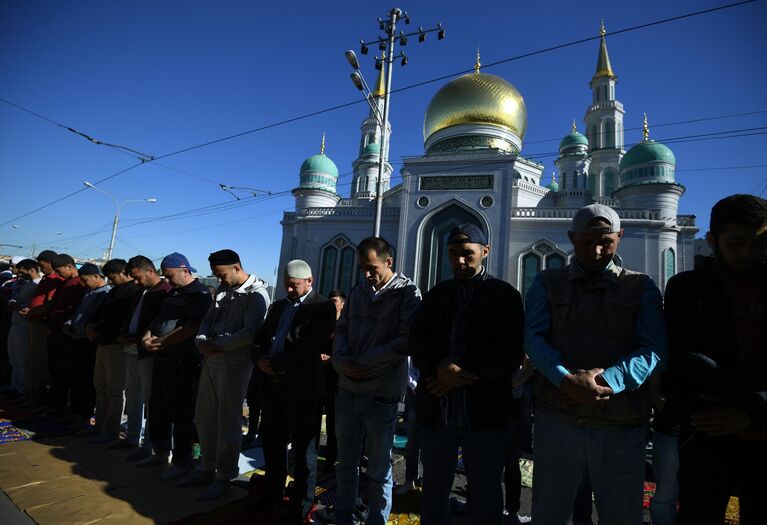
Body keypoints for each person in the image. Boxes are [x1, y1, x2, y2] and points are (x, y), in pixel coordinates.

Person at [525, 203, 667, 525]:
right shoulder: (547, 283)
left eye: (606, 242)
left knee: (620, 515)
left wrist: (609, 381)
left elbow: (653, 349)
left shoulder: (640, 286)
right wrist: (565, 380)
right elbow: (534, 339)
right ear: (571, 238)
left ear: (620, 237)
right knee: (549, 512)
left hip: (619, 424)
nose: (597, 250)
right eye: (586, 242)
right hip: (559, 419)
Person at [410, 224, 524, 525]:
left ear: (485, 251)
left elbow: (511, 352)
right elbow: (416, 340)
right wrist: (439, 367)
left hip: (483, 414)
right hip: (438, 411)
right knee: (434, 490)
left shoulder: (504, 296)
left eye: (467, 254)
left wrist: (462, 372)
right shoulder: (437, 295)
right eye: (452, 254)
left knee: (485, 493)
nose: (459, 261)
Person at [665, 194, 767, 524]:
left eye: (758, 243)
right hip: (708, 432)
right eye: (737, 243)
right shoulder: (688, 288)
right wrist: (749, 409)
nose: (747, 254)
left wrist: (751, 413)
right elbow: (687, 358)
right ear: (712, 240)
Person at [323, 237, 421, 525]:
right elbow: (342, 329)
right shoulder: (358, 291)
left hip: (380, 393)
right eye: (362, 268)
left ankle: (376, 520)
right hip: (350, 389)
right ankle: (344, 516)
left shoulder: (407, 294)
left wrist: (362, 363)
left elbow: (405, 341)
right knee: (347, 465)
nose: (366, 274)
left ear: (388, 262)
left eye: (371, 267)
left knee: (378, 469)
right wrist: (341, 362)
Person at [178, 249, 269, 501]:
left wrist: (219, 345)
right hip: (211, 360)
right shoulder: (223, 291)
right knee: (205, 417)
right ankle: (206, 467)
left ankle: (225, 474)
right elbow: (207, 321)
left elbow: (252, 332)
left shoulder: (256, 295)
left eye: (222, 275)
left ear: (237, 269)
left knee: (228, 422)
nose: (219, 280)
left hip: (234, 366)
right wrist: (203, 341)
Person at [250, 259, 336, 523]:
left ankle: (301, 506)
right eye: (287, 285)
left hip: (301, 390)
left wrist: (276, 364)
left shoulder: (322, 307)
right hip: (273, 388)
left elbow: (310, 347)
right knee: (273, 446)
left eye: (294, 285)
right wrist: (259, 360)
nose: (289, 290)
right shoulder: (278, 307)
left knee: (303, 453)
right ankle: (272, 495)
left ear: (309, 282)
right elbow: (260, 339)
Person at [139, 252, 212, 480]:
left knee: (182, 415)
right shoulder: (173, 293)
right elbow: (159, 319)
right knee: (158, 409)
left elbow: (192, 327)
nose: (167, 281)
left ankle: (182, 460)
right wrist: (148, 336)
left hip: (183, 363)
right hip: (162, 360)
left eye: (170, 276)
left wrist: (163, 341)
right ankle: (161, 452)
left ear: (185, 271)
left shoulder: (199, 295)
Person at [115, 255, 172, 460]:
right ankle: (132, 438)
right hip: (131, 349)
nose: (136, 282)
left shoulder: (165, 292)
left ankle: (149, 446)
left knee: (150, 401)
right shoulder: (142, 292)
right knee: (133, 396)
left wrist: (140, 338)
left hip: (148, 352)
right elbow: (134, 318)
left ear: (150, 271)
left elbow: (159, 325)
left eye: (138, 278)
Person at [85, 259, 142, 443]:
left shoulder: (132, 292)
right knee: (100, 386)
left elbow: (120, 320)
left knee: (115, 390)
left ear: (124, 273)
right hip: (103, 342)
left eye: (113, 277)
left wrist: (99, 329)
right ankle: (100, 425)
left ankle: (111, 430)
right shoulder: (114, 291)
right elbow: (102, 314)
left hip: (116, 346)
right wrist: (91, 327)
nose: (110, 281)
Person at [64, 263, 111, 431]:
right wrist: (69, 324)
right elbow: (79, 314)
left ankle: (85, 415)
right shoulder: (89, 292)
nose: (83, 284)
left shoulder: (105, 294)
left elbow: (96, 319)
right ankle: (76, 411)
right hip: (77, 338)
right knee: (75, 378)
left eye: (85, 280)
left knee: (86, 381)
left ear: (96, 277)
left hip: (88, 342)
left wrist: (84, 329)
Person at [20, 250, 63, 407]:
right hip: (33, 322)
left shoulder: (56, 280)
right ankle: (30, 393)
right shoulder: (46, 278)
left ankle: (37, 398)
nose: (40, 267)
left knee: (39, 364)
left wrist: (32, 312)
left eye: (41, 264)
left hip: (42, 325)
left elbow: (49, 304)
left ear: (49, 262)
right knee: (30, 362)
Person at [47, 254, 86, 416]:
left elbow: (76, 310)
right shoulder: (66, 283)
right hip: (56, 331)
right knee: (55, 370)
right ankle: (55, 404)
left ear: (69, 267)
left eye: (59, 271)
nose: (57, 274)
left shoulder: (79, 284)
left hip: (67, 334)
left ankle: (62, 406)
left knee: (65, 372)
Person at [316, 289, 345, 472]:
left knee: (335, 423)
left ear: (342, 303)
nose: (331, 303)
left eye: (334, 300)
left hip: (338, 380)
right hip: (320, 378)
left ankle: (331, 458)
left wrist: (332, 359)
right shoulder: (323, 324)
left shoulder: (345, 325)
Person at [6, 259, 42, 396]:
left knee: (22, 360)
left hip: (25, 325)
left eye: (23, 272)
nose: (21, 275)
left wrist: (22, 308)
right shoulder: (26, 284)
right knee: (13, 358)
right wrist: (14, 303)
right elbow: (16, 298)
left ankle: (23, 389)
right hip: (15, 323)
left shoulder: (39, 284)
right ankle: (15, 386)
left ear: (31, 270)